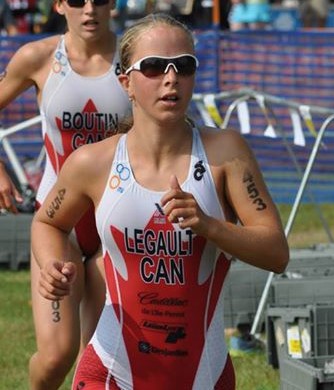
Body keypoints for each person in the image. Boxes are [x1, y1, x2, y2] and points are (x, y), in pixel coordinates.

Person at [31, 12, 289, 389]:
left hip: (203, 373)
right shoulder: (93, 161)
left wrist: (210, 225)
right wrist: (52, 264)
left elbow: (277, 252)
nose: (171, 79)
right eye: (153, 67)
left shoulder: (226, 153)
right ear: (127, 82)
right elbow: (48, 222)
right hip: (110, 369)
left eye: (183, 66)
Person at [0, 0, 131, 388]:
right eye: (77, 0)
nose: (89, 9)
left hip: (116, 222)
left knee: (100, 364)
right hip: (58, 222)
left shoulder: (137, 61)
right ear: (59, 5)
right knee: (57, 355)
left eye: (101, 0)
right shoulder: (38, 57)